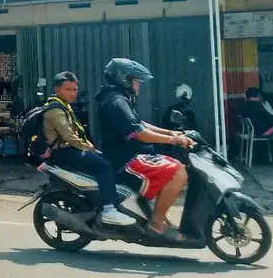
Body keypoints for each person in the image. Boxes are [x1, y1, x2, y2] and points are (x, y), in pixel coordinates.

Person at [95, 58, 193, 241]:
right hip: (126, 159)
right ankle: (156, 223)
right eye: (135, 80)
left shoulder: (120, 97)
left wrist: (172, 132)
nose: (138, 84)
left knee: (178, 166)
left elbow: (140, 124)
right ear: (123, 79)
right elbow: (138, 133)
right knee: (179, 173)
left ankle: (157, 215)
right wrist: (173, 139)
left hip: (134, 154)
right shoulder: (115, 101)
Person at [43, 72, 135, 226]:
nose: (73, 93)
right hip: (65, 152)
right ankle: (109, 210)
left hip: (71, 149)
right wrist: (88, 147)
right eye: (68, 89)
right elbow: (69, 136)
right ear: (57, 90)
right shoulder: (55, 110)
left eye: (75, 89)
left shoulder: (63, 105)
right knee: (105, 166)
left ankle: (111, 201)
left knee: (110, 162)